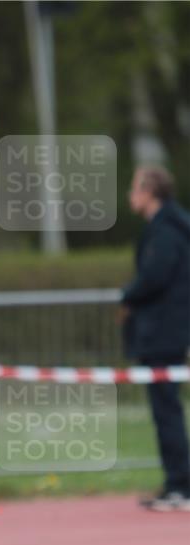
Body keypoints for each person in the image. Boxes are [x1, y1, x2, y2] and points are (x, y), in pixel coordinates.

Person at [121, 165, 190, 512]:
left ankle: (180, 485)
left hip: (164, 330)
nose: (130, 195)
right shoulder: (170, 226)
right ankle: (177, 482)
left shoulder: (166, 231)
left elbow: (156, 276)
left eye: (134, 188)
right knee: (166, 407)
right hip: (167, 328)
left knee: (167, 409)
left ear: (149, 192)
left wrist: (127, 297)